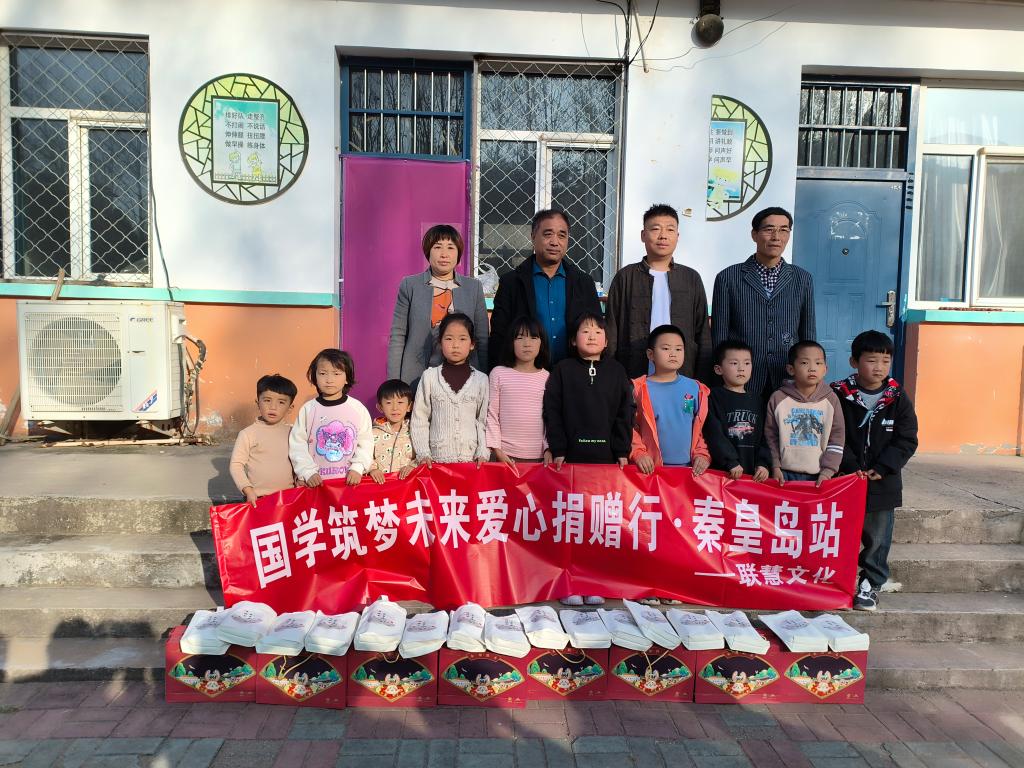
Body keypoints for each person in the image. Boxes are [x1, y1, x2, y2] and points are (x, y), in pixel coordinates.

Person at [543, 311, 634, 607]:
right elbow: (552, 411)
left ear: (607, 341)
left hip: (605, 464)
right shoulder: (563, 370)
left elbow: (625, 413)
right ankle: (569, 583)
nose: (592, 336)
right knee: (571, 525)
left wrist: (621, 451)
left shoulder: (617, 372)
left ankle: (594, 582)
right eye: (585, 331)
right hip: (570, 462)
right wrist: (558, 448)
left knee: (599, 526)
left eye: (598, 331)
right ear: (573, 340)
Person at [830, 330, 918, 612]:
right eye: (871, 360)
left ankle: (870, 584)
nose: (879, 367)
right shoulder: (837, 394)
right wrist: (850, 466)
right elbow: (832, 433)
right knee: (839, 534)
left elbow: (907, 438)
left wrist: (883, 467)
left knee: (878, 538)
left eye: (885, 360)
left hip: (883, 482)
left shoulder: (897, 397)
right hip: (844, 480)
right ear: (854, 362)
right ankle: (836, 581)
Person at [711, 206, 816, 399]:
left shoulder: (802, 279)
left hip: (787, 375)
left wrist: (809, 373)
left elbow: (808, 333)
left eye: (783, 230)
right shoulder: (728, 277)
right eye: (769, 229)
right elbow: (720, 335)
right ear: (754, 234)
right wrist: (721, 380)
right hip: (741, 377)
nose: (776, 237)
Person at [605, 204, 712, 380]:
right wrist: (611, 376)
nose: (663, 236)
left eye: (670, 230)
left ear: (677, 236)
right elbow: (612, 330)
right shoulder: (626, 277)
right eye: (655, 229)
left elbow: (703, 333)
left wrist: (701, 379)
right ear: (643, 235)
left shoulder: (690, 278)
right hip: (633, 372)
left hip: (683, 375)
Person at [488, 209, 601, 370]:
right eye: (548, 234)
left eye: (562, 235)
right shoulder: (512, 283)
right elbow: (499, 336)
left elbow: (597, 331)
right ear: (533, 236)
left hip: (573, 375)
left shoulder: (583, 283)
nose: (555, 242)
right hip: (525, 375)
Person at [388, 224, 489, 385]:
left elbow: (482, 338)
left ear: (458, 253)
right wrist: (393, 383)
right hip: (416, 376)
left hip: (465, 378)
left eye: (450, 247)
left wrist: (484, 377)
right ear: (428, 251)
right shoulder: (410, 285)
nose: (444, 254)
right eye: (437, 247)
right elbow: (398, 336)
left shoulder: (473, 287)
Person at [630, 324, 711, 477]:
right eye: (666, 348)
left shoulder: (696, 388)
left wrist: (702, 454)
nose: (673, 354)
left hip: (689, 471)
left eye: (679, 349)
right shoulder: (638, 389)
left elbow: (703, 429)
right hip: (650, 472)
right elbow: (630, 427)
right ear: (650, 354)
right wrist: (639, 453)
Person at [411, 312, 490, 465]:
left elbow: (483, 421)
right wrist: (423, 453)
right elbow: (420, 418)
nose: (455, 345)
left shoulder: (481, 380)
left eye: (462, 339)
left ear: (472, 344)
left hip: (472, 464)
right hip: (436, 463)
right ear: (440, 343)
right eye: (449, 338)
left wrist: (482, 452)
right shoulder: (429, 377)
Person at [764, 340, 845, 487]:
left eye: (818, 363)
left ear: (825, 369)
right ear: (791, 369)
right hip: (783, 474)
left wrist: (828, 471)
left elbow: (837, 438)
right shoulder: (778, 398)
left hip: (819, 475)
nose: (812, 368)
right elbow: (770, 436)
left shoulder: (831, 399)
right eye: (804, 363)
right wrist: (775, 466)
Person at [289, 348, 373, 487]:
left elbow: (366, 443)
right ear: (315, 377)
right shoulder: (308, 409)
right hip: (316, 484)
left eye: (336, 373)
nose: (329, 380)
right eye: (323, 373)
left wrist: (358, 468)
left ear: (347, 378)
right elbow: (297, 444)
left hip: (349, 483)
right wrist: (307, 472)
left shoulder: (357, 409)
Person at [486, 315, 552, 467]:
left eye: (533, 338)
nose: (527, 344)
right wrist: (497, 449)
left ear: (542, 343)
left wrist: (548, 448)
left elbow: (550, 417)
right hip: (504, 456)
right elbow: (491, 414)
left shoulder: (547, 377)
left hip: (539, 458)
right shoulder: (498, 373)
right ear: (511, 342)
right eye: (520, 338)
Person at [703, 340, 771, 481]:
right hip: (724, 473)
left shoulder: (758, 400)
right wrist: (730, 461)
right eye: (734, 363)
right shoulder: (712, 397)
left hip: (753, 474)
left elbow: (766, 436)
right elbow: (713, 433)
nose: (741, 368)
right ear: (719, 369)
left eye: (747, 363)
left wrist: (763, 464)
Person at [230, 374, 298, 505]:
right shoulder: (248, 434)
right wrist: (247, 489)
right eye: (267, 400)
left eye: (281, 402)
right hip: (258, 499)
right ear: (258, 403)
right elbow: (236, 464)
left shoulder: (293, 433)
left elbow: (298, 461)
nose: (273, 407)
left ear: (290, 408)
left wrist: (299, 480)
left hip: (288, 499)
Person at [367, 379, 417, 484]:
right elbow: (364, 454)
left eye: (400, 402)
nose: (395, 408)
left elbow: (423, 454)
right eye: (389, 403)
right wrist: (372, 469)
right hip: (381, 487)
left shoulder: (415, 431)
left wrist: (413, 466)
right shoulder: (372, 433)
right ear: (380, 407)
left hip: (408, 487)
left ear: (409, 406)